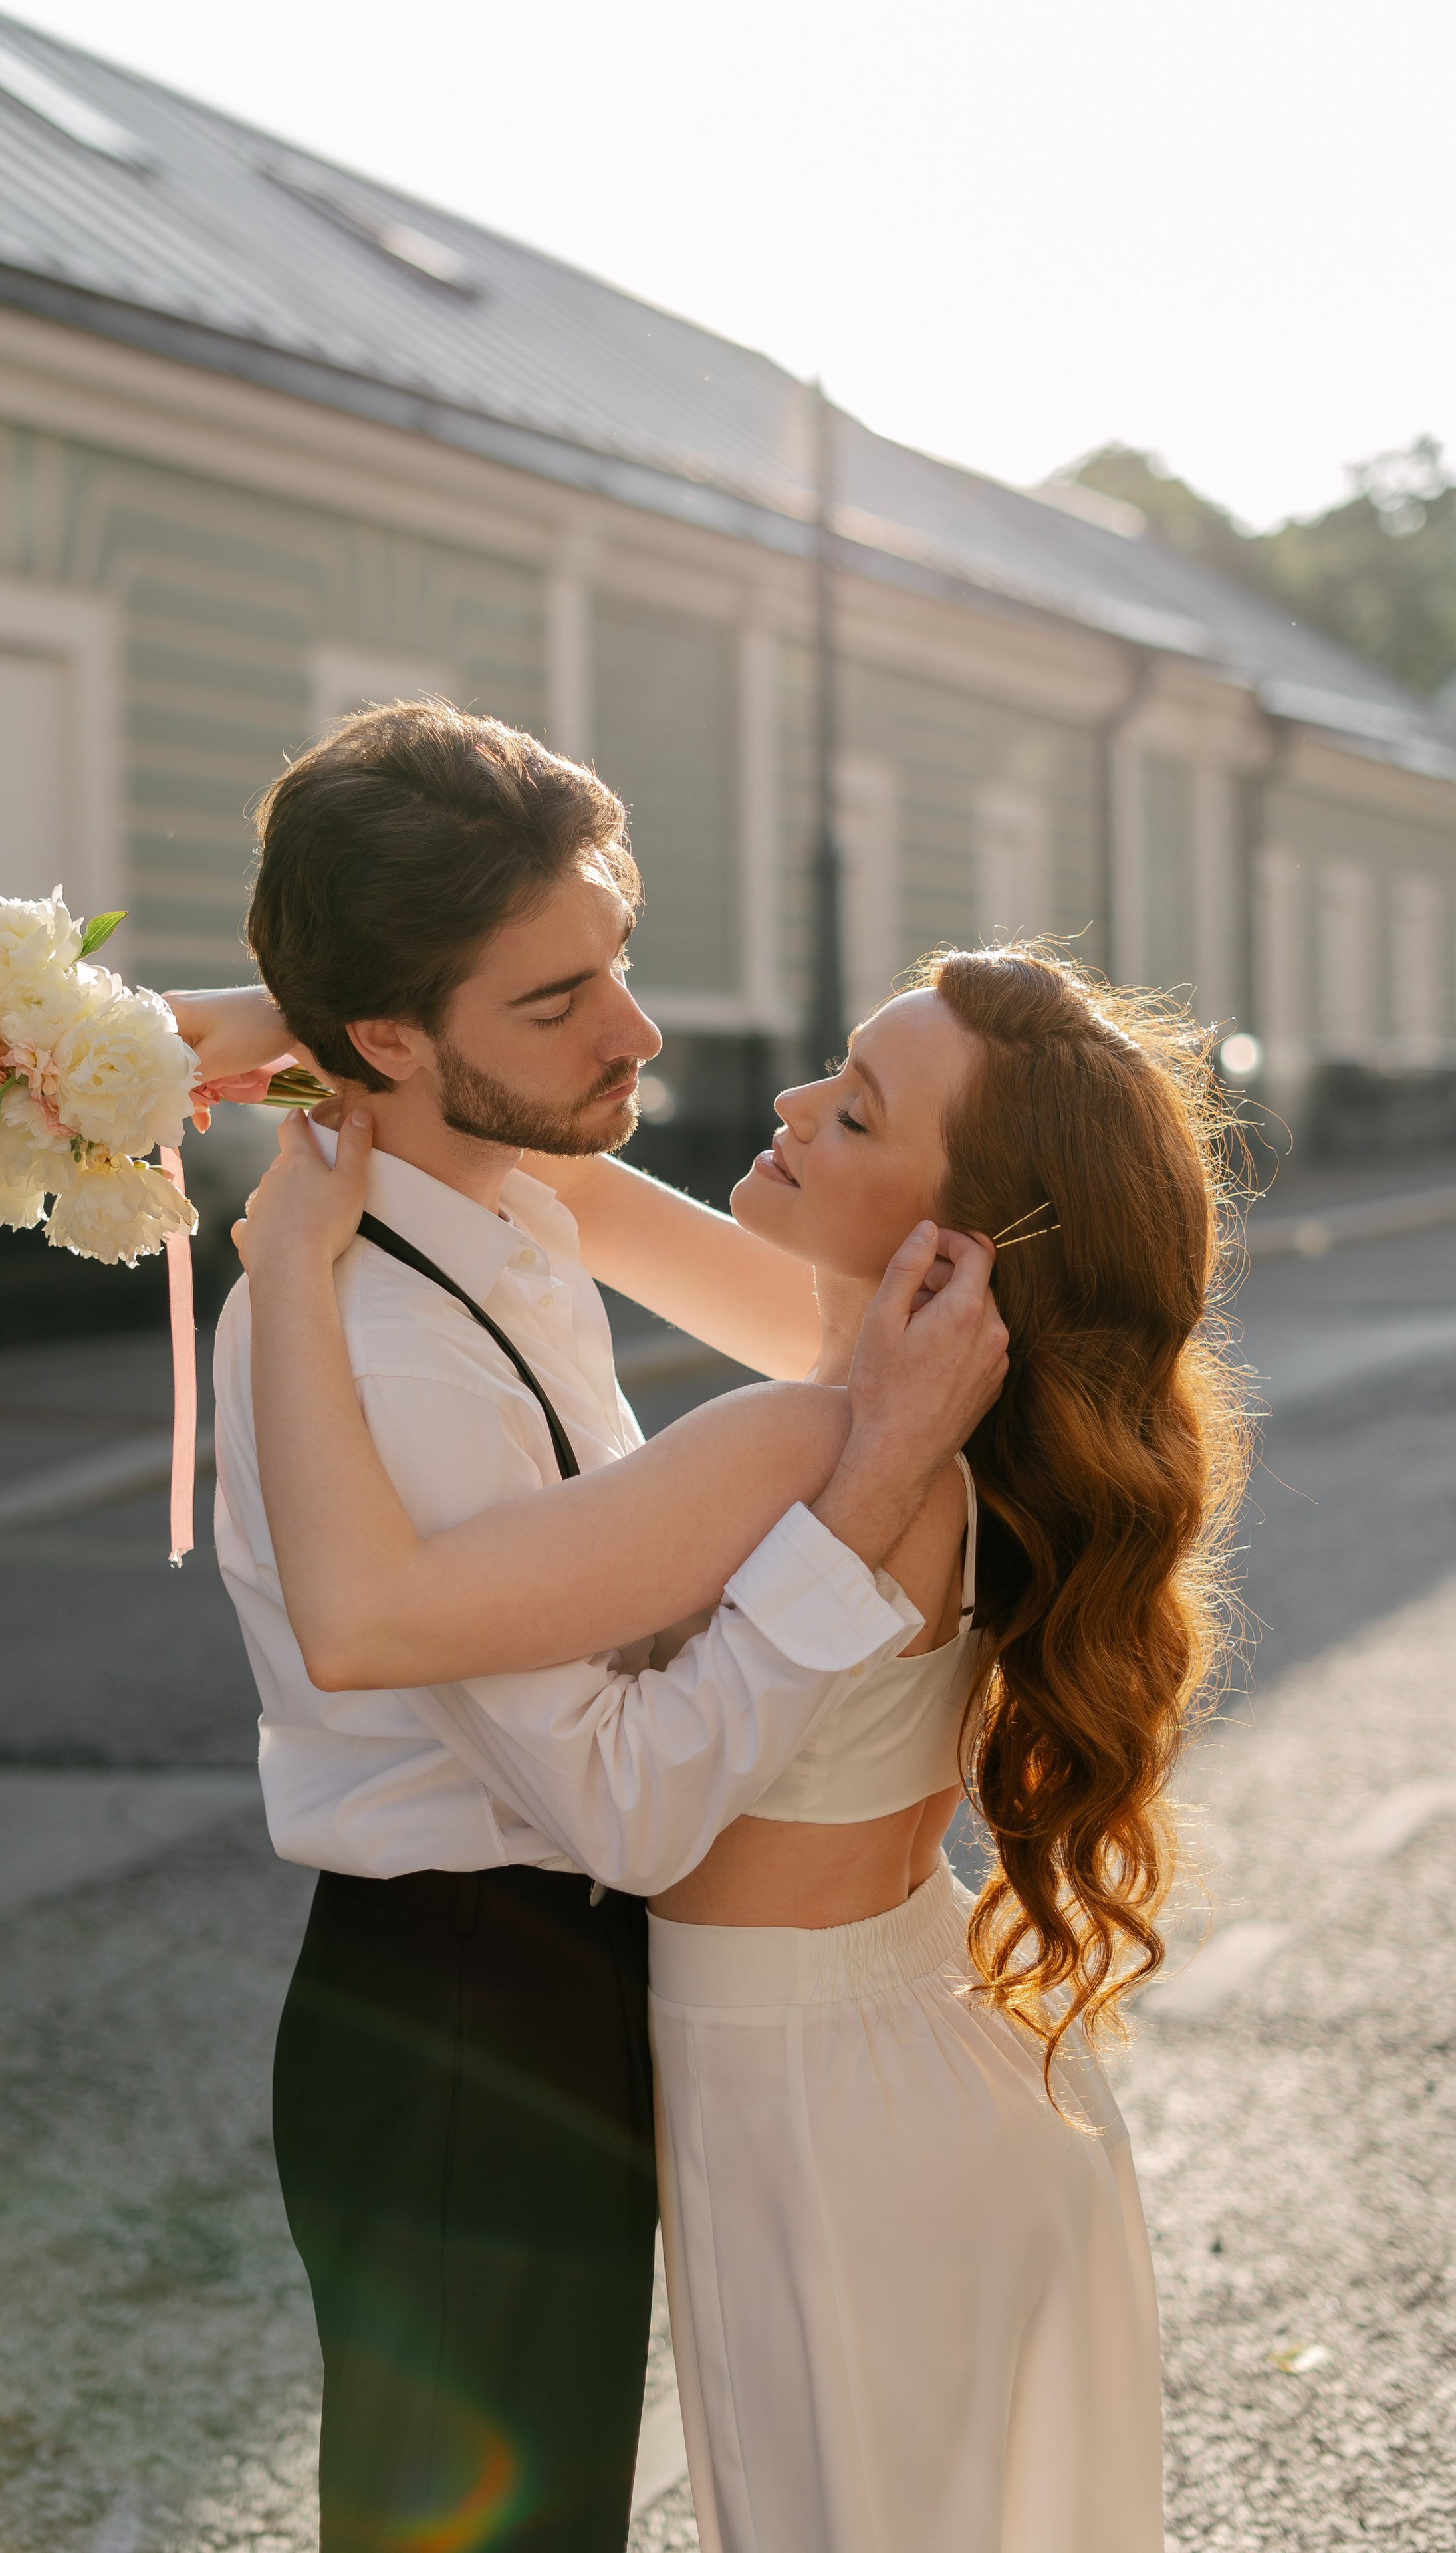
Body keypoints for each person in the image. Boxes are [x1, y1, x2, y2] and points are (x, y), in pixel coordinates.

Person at [226, 929, 1250, 2553]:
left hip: (827, 2114)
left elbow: (380, 1613)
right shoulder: (896, 1397)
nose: (788, 1099)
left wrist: (285, 1261)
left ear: (951, 1240)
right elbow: (559, 1172)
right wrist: (313, 1030)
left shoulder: (810, 1431)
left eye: (852, 1112)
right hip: (900, 2069)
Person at [168, 701, 1009, 2553]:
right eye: (558, 1004)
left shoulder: (493, 1205)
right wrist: (847, 1541)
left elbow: (776, 1311)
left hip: (549, 1996)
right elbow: (622, 1811)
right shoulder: (376, 1333)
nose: (635, 1031)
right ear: (399, 1034)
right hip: (472, 2010)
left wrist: (294, 1044)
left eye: (615, 965)